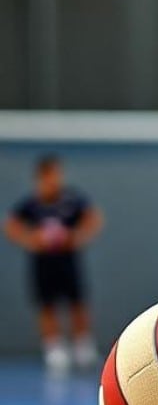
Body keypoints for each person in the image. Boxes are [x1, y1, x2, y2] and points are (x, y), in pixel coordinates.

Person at [4, 153, 104, 372]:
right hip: (43, 264)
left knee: (77, 302)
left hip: (67, 261)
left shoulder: (72, 200)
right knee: (47, 305)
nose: (56, 179)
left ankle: (82, 347)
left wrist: (77, 237)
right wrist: (31, 240)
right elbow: (11, 225)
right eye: (51, 175)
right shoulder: (32, 204)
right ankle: (54, 349)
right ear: (41, 177)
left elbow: (93, 217)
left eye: (58, 174)